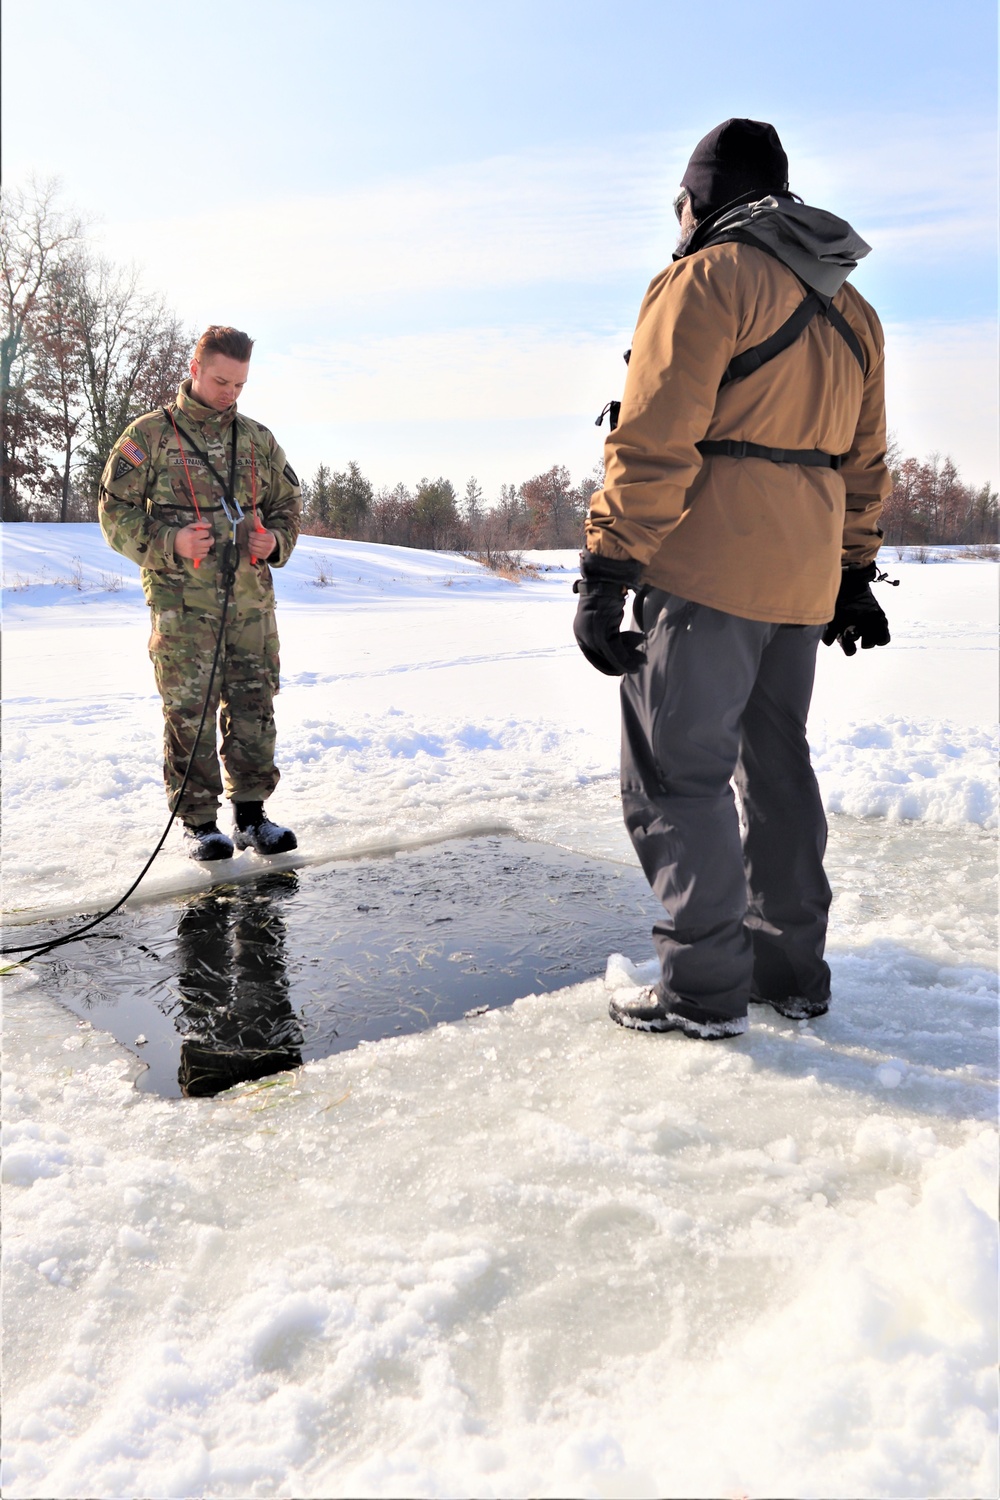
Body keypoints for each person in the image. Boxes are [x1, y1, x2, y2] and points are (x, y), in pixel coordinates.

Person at [574, 118, 892, 1040]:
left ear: (703, 195)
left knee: (678, 778)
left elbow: (653, 436)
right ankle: (790, 971)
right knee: (777, 764)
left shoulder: (705, 279)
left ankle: (703, 990)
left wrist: (607, 568)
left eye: (681, 199)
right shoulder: (855, 312)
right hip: (800, 584)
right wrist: (853, 570)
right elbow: (865, 462)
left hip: (707, 571)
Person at [99, 325, 302, 861]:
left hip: (251, 606)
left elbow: (289, 505)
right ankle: (199, 823)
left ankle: (253, 817)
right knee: (189, 710)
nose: (230, 393)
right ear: (194, 370)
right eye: (220, 381)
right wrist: (169, 540)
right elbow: (112, 509)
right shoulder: (151, 435)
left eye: (239, 384)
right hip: (184, 606)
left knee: (255, 705)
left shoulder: (258, 440)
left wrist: (274, 538)